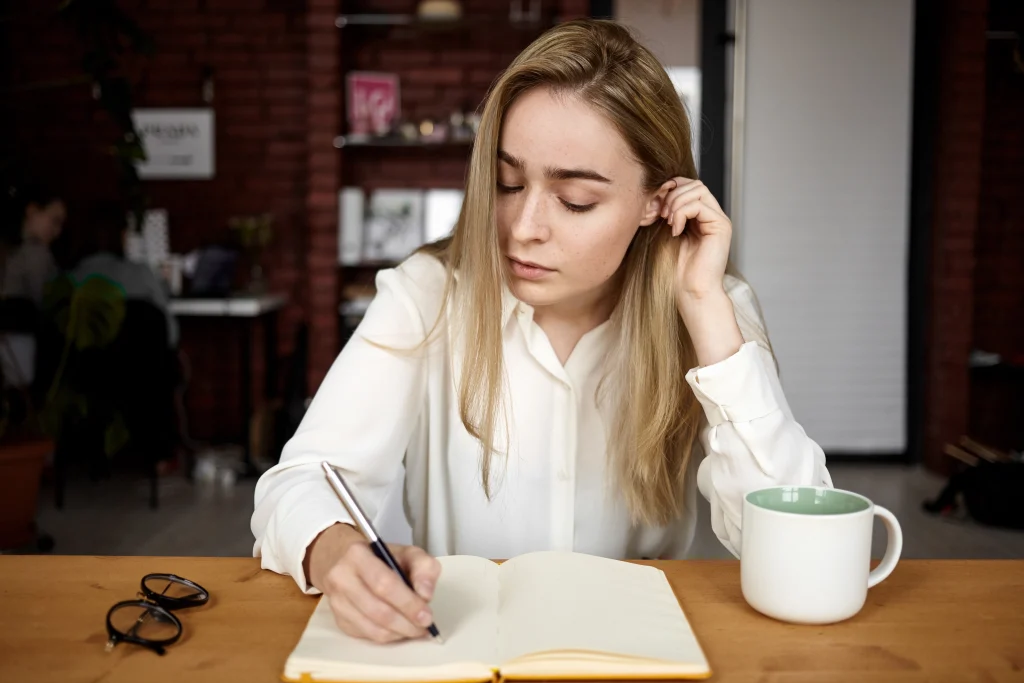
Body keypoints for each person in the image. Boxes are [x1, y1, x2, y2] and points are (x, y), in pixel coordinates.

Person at [252, 19, 833, 644]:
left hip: (634, 650)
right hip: (459, 645)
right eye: (508, 183)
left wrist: (705, 312)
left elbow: (804, 550)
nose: (523, 226)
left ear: (655, 202)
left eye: (575, 200)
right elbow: (298, 482)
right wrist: (334, 550)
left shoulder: (709, 303)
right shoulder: (427, 294)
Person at [70, 202, 179, 349]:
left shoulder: (67, 283)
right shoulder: (141, 274)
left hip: (84, 369)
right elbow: (171, 334)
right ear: (123, 235)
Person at [0, 182, 65, 387]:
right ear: (32, 211)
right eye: (54, 221)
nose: (57, 231)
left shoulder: (12, 251)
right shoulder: (36, 253)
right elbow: (43, 300)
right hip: (22, 341)